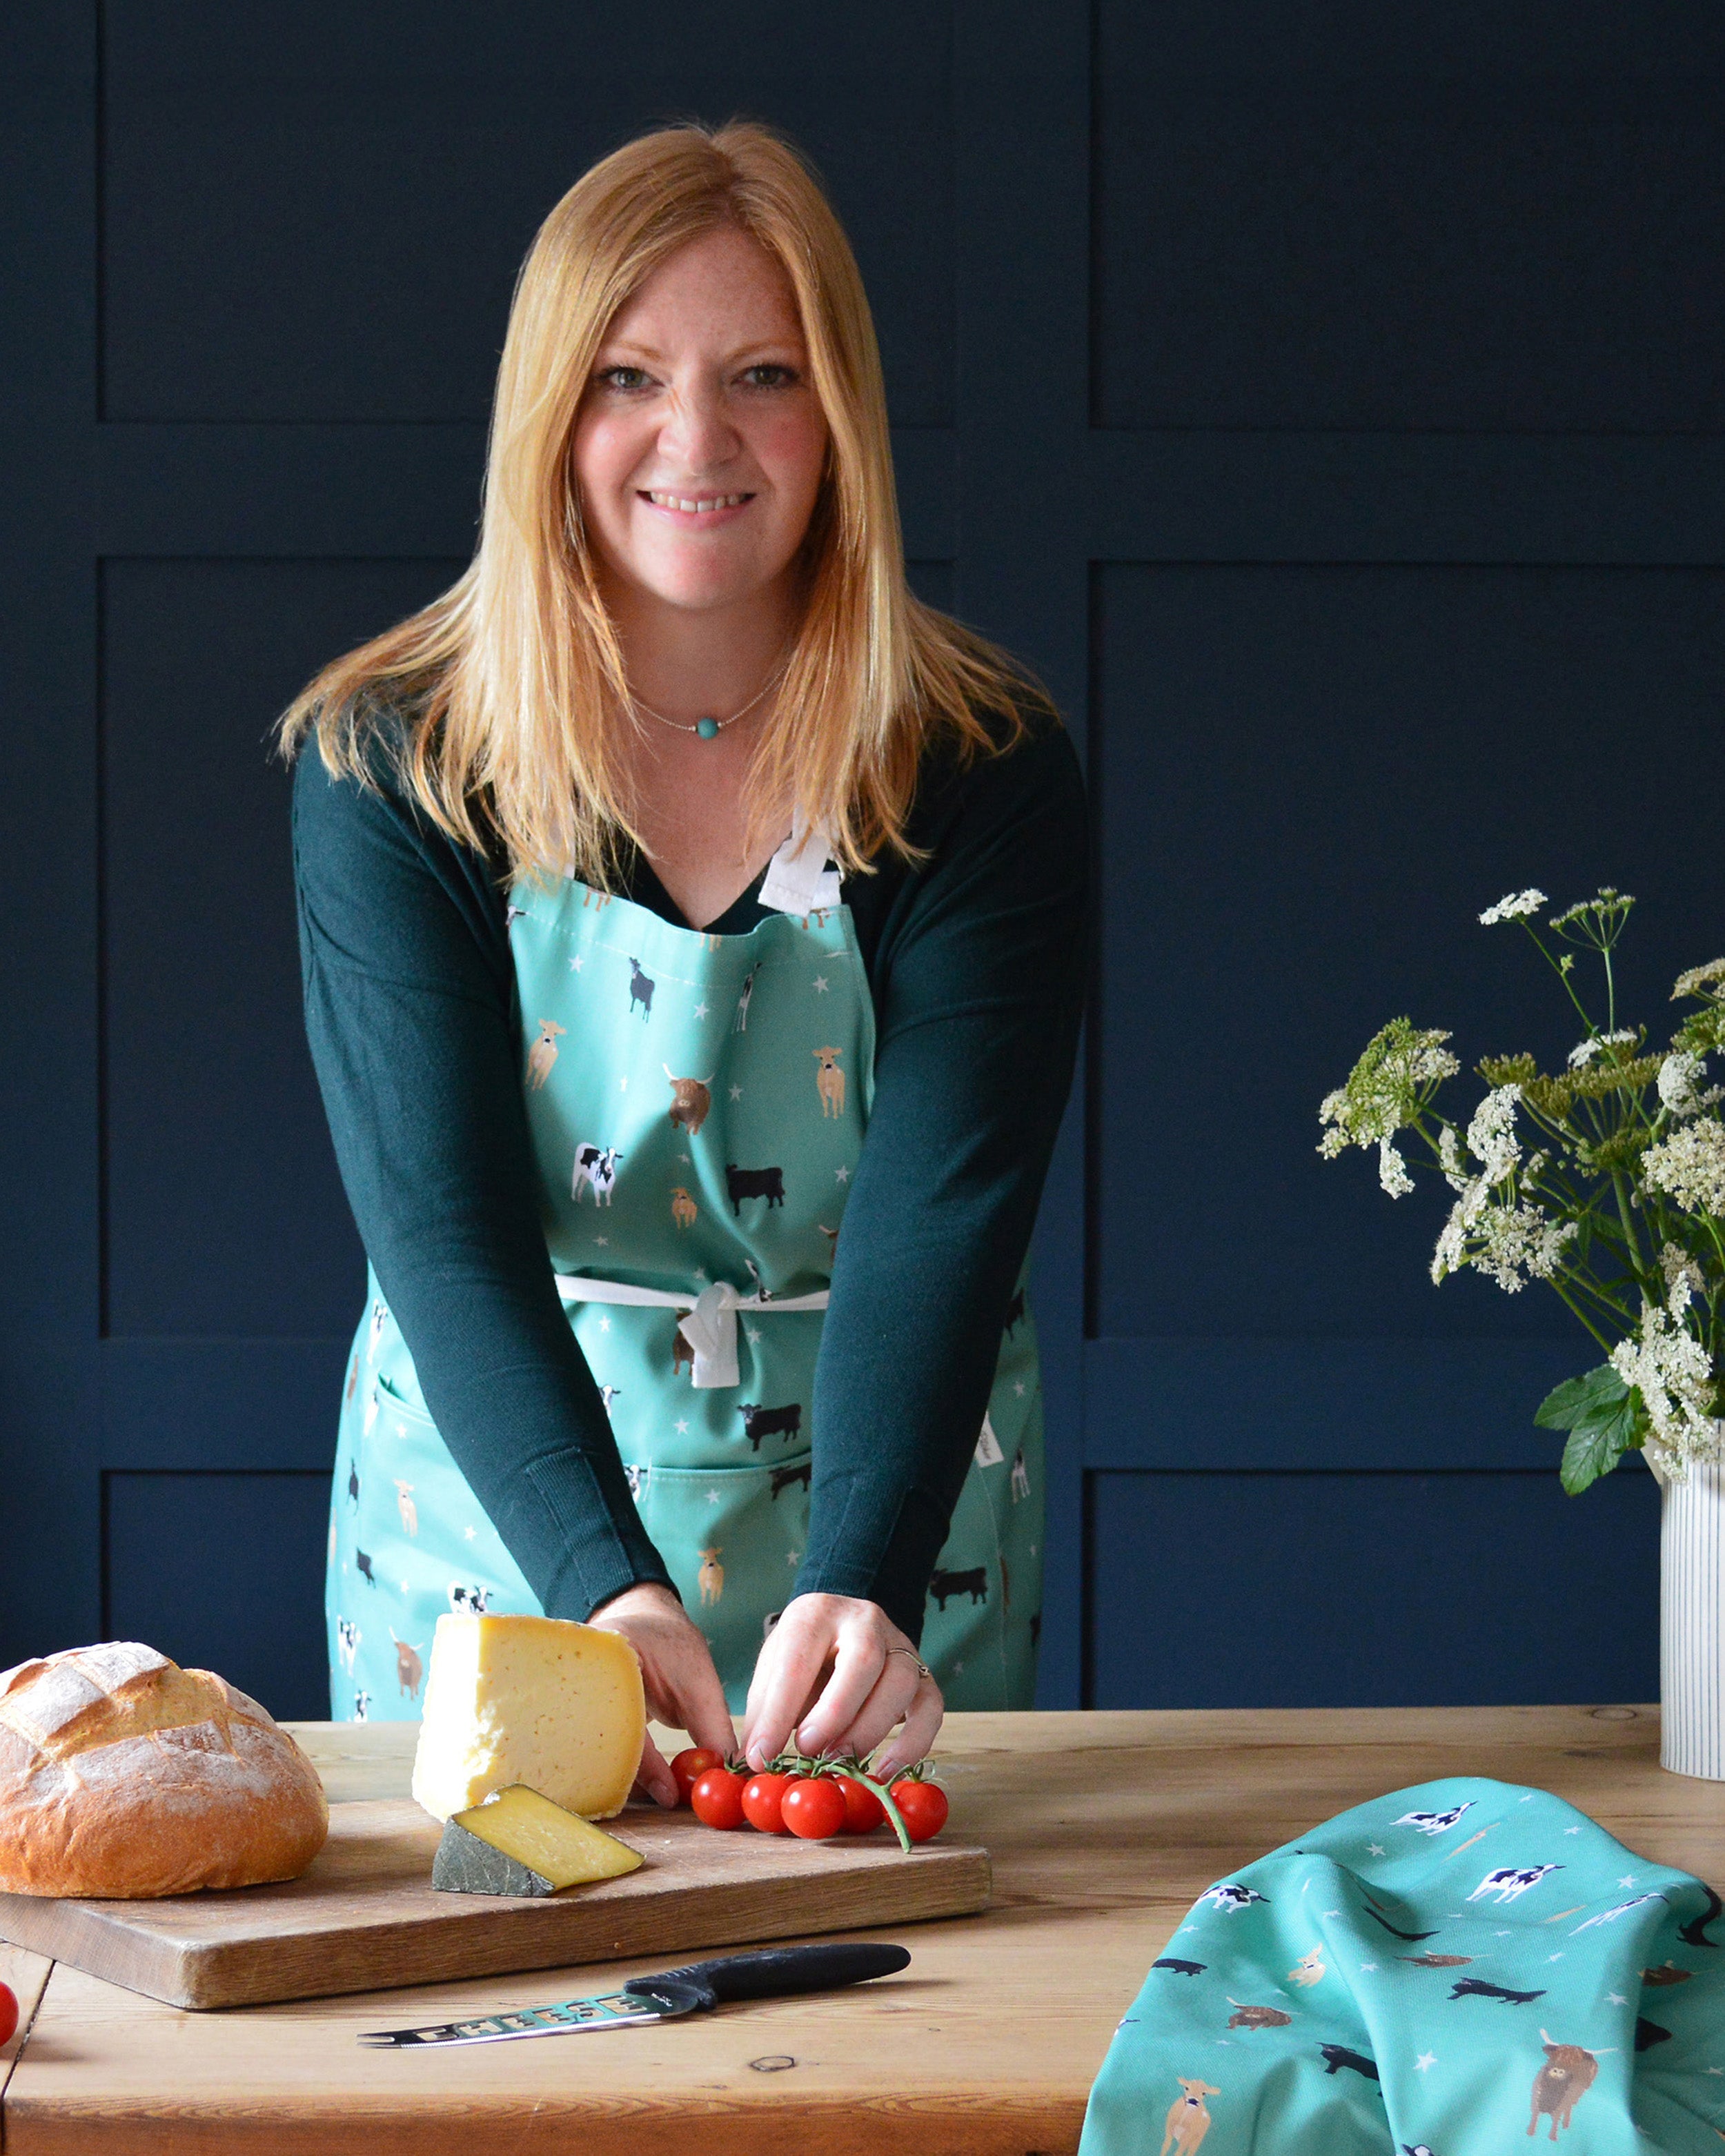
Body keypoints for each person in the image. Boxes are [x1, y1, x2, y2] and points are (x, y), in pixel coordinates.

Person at [282, 121, 1085, 1804]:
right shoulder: (396, 763)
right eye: (629, 375)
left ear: (839, 417)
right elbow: (440, 1228)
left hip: (881, 1530)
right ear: (548, 415)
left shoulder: (980, 768)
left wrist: (863, 1566)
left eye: (763, 374)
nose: (695, 438)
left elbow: (942, 1212)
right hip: (507, 1532)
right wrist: (599, 1579)